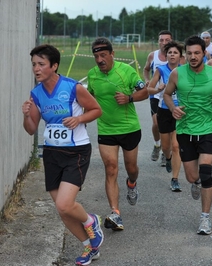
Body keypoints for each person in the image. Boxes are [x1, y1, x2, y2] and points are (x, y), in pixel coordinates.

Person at [22, 44, 103, 265]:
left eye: (41, 64)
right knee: (63, 210)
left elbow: (96, 109)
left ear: (54, 66)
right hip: (51, 153)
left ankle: (91, 220)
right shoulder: (36, 93)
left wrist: (79, 119)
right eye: (33, 65)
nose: (36, 69)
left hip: (76, 150)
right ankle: (89, 247)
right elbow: (31, 128)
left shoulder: (73, 87)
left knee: (65, 204)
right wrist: (26, 115)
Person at [163, 35, 212, 235]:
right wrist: (173, 108)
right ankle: (196, 182)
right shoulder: (176, 74)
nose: (193, 57)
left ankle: (205, 218)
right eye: (189, 53)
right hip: (185, 131)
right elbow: (167, 94)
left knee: (206, 172)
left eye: (196, 53)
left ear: (204, 53)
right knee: (193, 177)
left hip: (208, 129)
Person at [87, 37, 148, 231]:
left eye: (103, 55)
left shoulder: (126, 71)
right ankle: (115, 213)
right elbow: (89, 97)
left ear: (112, 54)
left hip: (129, 128)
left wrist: (129, 98)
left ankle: (132, 183)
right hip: (106, 129)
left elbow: (144, 92)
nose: (99, 60)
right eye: (96, 56)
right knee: (111, 168)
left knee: (131, 168)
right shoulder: (92, 75)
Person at [147, 41, 184, 192]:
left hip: (179, 110)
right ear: (166, 56)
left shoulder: (185, 70)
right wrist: (158, 89)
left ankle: (175, 179)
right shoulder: (160, 70)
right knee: (167, 146)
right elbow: (149, 89)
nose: (172, 55)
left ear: (180, 56)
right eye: (170, 53)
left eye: (175, 53)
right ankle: (167, 158)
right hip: (163, 109)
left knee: (176, 146)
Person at [144, 30, 173, 166]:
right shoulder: (152, 56)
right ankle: (157, 145)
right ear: (158, 41)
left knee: (170, 127)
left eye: (167, 40)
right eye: (161, 40)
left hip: (172, 95)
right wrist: (147, 80)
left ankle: (165, 152)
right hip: (156, 94)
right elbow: (146, 69)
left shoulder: (176, 56)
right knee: (156, 123)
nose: (164, 43)